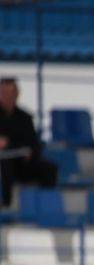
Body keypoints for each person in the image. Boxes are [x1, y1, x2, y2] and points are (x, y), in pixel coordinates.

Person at [0, 77, 57, 207]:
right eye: (4, 93)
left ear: (16, 94)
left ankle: (46, 205)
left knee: (49, 168)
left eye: (10, 93)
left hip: (21, 162)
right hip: (3, 162)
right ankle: (6, 206)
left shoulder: (25, 118)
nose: (7, 97)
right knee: (6, 165)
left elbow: (33, 144)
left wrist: (26, 151)